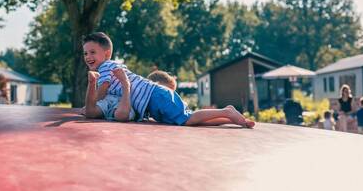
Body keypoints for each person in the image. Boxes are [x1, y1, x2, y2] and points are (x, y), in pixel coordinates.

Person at [83, 32, 254, 128]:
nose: (88, 56)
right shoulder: (111, 66)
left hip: (154, 97)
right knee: (189, 121)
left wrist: (89, 106)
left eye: (92, 52)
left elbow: (102, 91)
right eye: (85, 53)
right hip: (152, 101)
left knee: (188, 119)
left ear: (106, 54)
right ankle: (228, 118)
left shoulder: (106, 67)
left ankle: (226, 111)